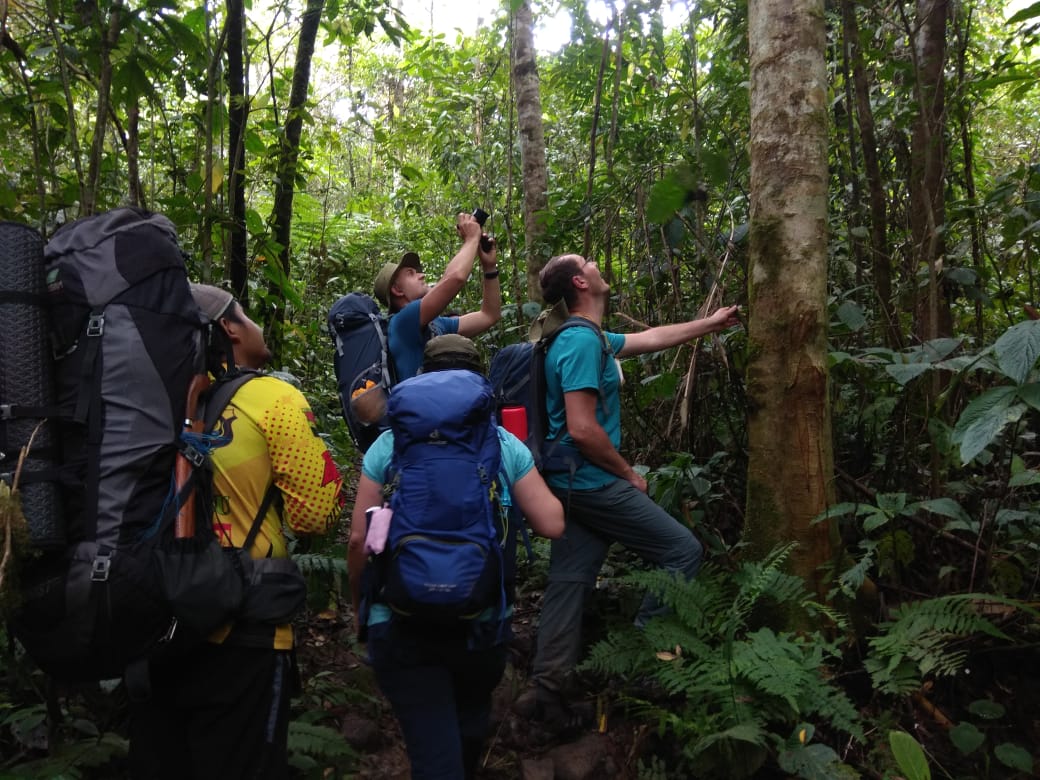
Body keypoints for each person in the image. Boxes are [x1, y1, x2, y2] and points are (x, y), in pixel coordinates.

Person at [129, 284, 344, 780]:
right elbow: (316, 515)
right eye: (245, 315)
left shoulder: (145, 403)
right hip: (244, 622)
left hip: (153, 620)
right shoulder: (271, 396)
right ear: (228, 328)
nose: (255, 324)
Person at [519, 253, 741, 728]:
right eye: (588, 262)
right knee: (682, 551)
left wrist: (711, 323)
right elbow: (581, 428)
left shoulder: (590, 337)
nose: (597, 264)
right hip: (593, 481)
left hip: (569, 482)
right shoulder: (580, 343)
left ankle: (548, 689)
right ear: (581, 282)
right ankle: (648, 663)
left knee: (569, 580)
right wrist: (628, 473)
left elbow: (652, 338)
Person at [348, 334, 564, 780]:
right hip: (481, 617)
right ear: (477, 381)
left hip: (399, 618)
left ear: (422, 376)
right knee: (468, 722)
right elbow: (552, 525)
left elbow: (357, 539)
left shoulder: (388, 446)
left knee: (432, 747)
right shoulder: (504, 445)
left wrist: (361, 608)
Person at [373, 211, 501, 380]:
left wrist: (490, 267)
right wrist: (471, 239)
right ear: (397, 290)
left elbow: (489, 315)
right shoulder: (402, 323)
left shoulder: (437, 325)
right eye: (411, 274)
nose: (421, 275)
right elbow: (455, 278)